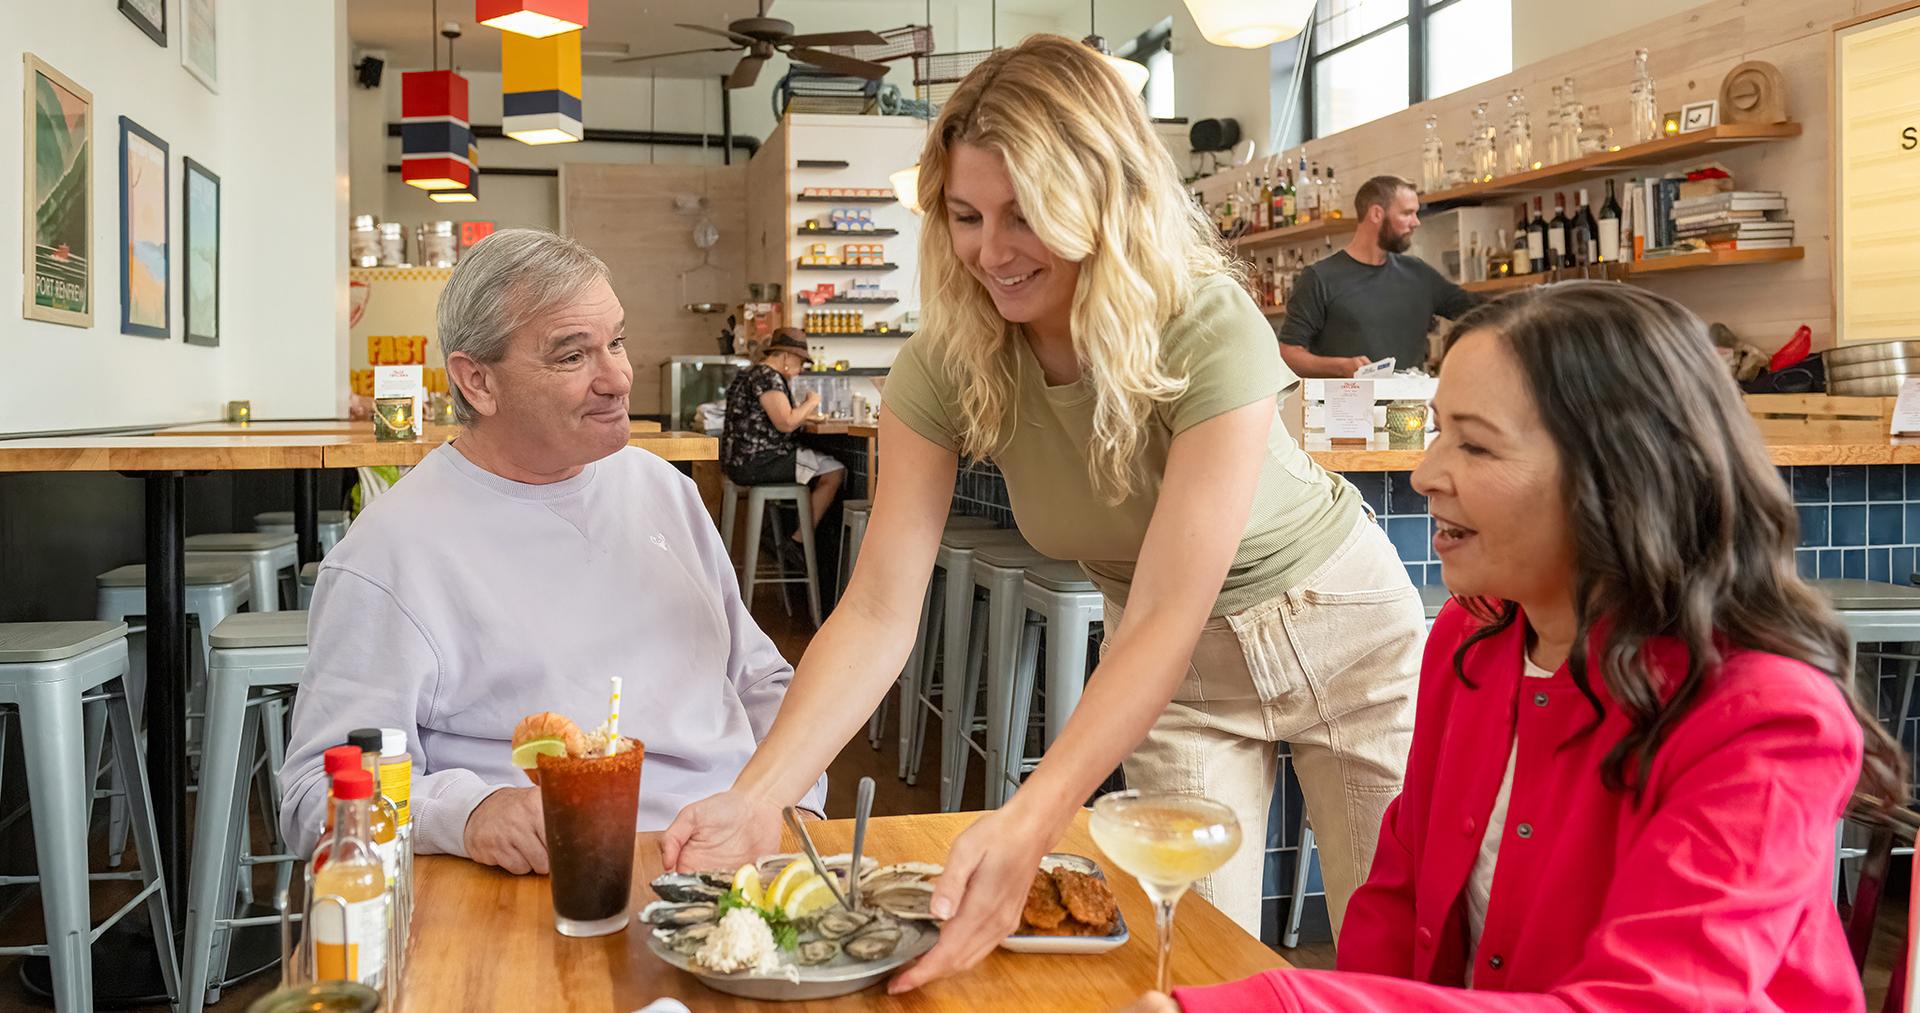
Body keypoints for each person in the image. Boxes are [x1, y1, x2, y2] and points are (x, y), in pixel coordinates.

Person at [661, 34, 1422, 991]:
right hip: (1178, 679)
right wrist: (756, 797)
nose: (991, 251)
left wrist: (1030, 819)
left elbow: (1165, 608)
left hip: (1342, 636)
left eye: (1025, 213)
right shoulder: (945, 364)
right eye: (967, 215)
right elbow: (879, 608)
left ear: (1103, 198)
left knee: (1400, 964)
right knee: (1194, 971)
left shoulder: (1206, 322)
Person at [1123, 282, 1904, 1011]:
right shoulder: (1475, 637)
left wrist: (1283, 1003)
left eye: (1475, 446)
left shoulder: (1764, 719)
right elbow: (1395, 902)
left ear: (1616, 474)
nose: (1426, 473)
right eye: (1437, 432)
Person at [278, 229, 825, 873]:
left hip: (737, 851)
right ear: (477, 381)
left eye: (616, 342)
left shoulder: (664, 489)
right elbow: (315, 791)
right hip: (543, 876)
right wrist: (470, 814)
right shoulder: (392, 549)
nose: (618, 379)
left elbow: (758, 679)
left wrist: (794, 804)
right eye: (572, 356)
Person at [1278, 175, 1479, 378]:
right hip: (1346, 399)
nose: (1416, 222)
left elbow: (1478, 310)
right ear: (1376, 214)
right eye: (1407, 213)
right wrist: (1340, 367)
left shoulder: (1419, 274)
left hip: (1411, 399)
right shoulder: (1319, 278)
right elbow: (1288, 354)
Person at [720, 327, 845, 558]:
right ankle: (796, 543)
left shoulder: (750, 373)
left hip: (741, 460)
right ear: (787, 357)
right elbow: (786, 422)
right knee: (834, 471)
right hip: (758, 461)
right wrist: (811, 402)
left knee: (821, 465)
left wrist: (802, 414)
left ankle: (779, 536)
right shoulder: (767, 377)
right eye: (800, 362)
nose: (800, 370)